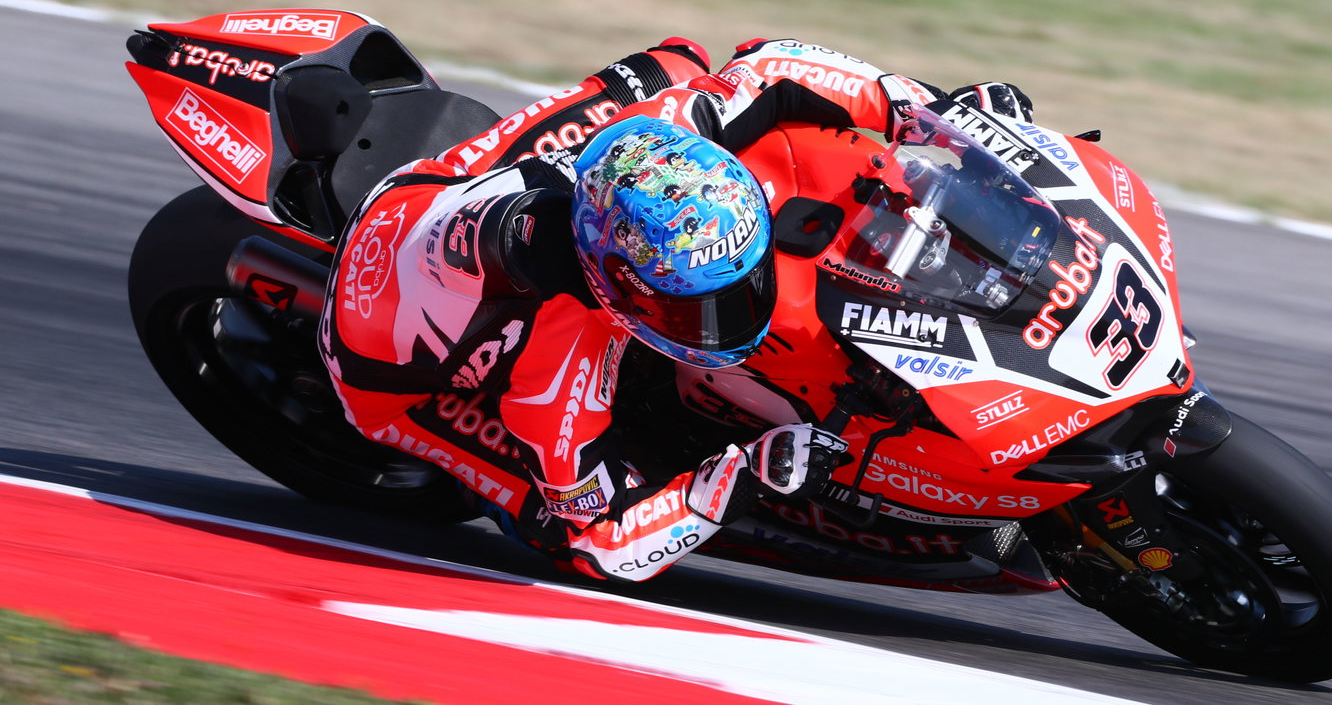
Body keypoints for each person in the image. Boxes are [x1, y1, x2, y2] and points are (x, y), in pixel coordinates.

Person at [317, 34, 1031, 582]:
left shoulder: (672, 129)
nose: (736, 316)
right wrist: (741, 477)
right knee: (550, 522)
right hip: (384, 367)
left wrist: (930, 110)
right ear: (617, 293)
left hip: (453, 186)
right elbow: (601, 543)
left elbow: (770, 63)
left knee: (677, 61)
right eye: (704, 309)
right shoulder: (552, 374)